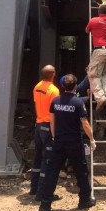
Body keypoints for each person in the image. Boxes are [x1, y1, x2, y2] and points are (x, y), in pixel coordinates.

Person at [38, 74, 96, 211]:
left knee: (52, 172)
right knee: (81, 170)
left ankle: (45, 205)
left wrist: (54, 136)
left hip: (59, 141)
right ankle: (84, 200)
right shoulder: (78, 103)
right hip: (74, 142)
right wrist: (92, 139)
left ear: (63, 86)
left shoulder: (55, 101)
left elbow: (52, 122)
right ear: (76, 86)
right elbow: (85, 123)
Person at [30, 65, 60, 198]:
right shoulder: (54, 91)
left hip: (38, 125)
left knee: (37, 157)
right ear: (53, 74)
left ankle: (34, 188)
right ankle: (42, 193)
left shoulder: (36, 87)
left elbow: (38, 104)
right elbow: (54, 112)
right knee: (47, 159)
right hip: (48, 126)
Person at [85, 4, 106, 111]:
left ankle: (100, 98)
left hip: (100, 50)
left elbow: (87, 31)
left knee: (94, 75)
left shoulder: (94, 20)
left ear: (99, 12)